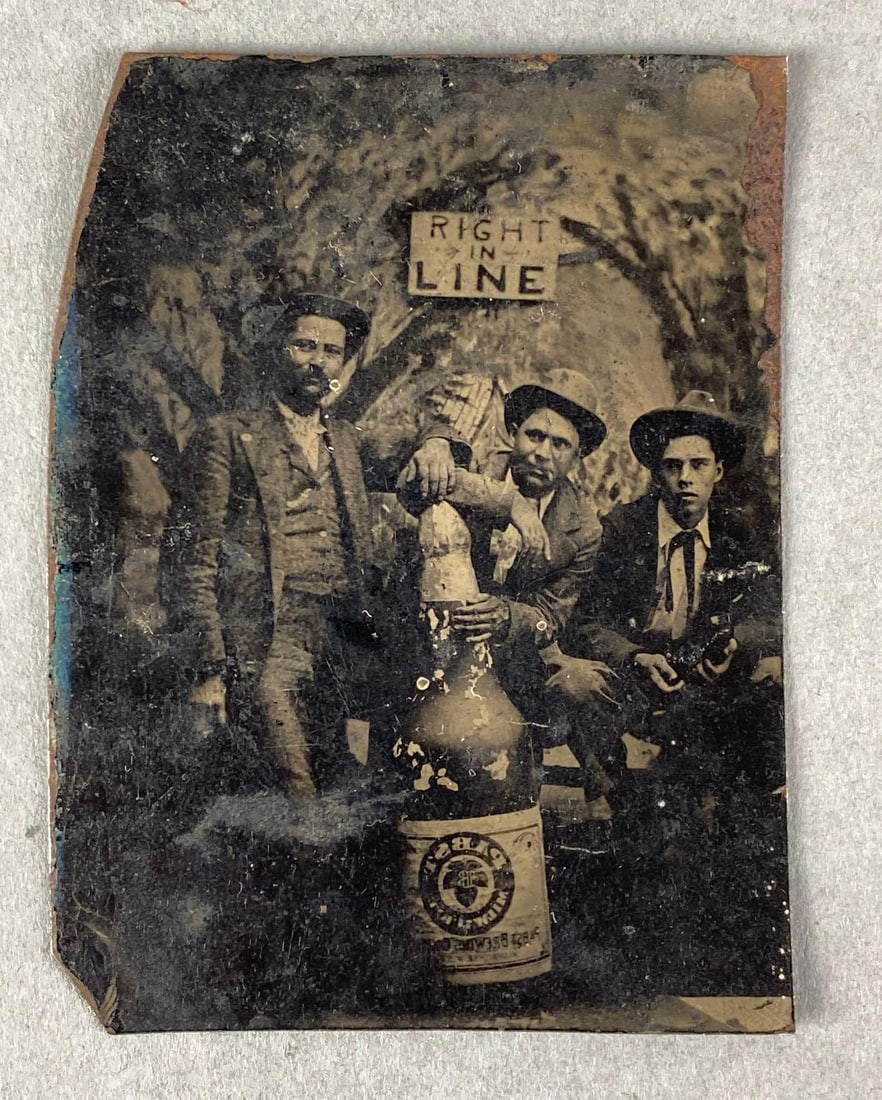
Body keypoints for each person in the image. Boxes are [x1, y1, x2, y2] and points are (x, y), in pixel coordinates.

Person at [163, 291, 458, 800]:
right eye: (304, 345)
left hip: (345, 633)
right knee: (295, 782)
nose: (318, 361)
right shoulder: (229, 436)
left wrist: (436, 444)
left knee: (385, 769)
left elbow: (422, 432)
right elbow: (195, 561)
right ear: (278, 350)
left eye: (331, 352)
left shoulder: (345, 439)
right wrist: (208, 671)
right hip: (268, 636)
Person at [552, 390, 785, 993]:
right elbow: (587, 624)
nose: (685, 480)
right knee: (639, 820)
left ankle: (725, 937)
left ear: (719, 471)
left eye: (698, 466)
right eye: (673, 467)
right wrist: (636, 656)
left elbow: (775, 606)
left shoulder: (741, 534)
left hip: (709, 697)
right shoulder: (622, 531)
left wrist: (738, 637)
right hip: (638, 691)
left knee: (732, 800)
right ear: (656, 472)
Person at [399, 368, 608, 740]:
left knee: (582, 685)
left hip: (516, 650)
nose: (542, 453)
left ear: (577, 459)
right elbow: (420, 482)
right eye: (534, 436)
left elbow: (551, 616)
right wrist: (509, 502)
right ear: (513, 434)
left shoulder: (584, 527)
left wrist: (507, 616)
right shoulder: (479, 466)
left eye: (560, 445)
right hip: (442, 635)